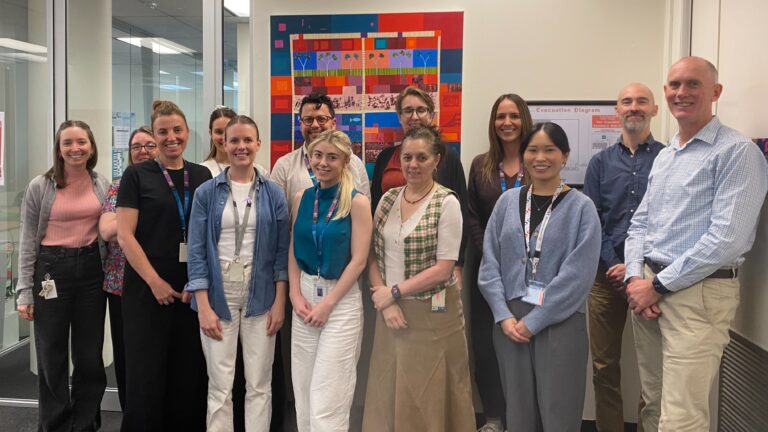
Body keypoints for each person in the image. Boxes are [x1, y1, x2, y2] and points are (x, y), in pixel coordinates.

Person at [624, 56, 768, 432]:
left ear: (715, 92)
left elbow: (726, 239)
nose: (680, 93)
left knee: (681, 416)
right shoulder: (668, 155)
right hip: (648, 290)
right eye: (674, 85)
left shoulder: (737, 153)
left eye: (693, 84)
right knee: (653, 403)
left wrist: (656, 286)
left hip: (697, 294)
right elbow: (639, 224)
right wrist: (635, 280)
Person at [478, 122, 601, 432]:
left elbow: (578, 274)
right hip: (509, 323)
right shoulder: (508, 203)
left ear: (565, 156)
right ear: (523, 156)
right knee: (518, 413)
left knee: (559, 409)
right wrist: (502, 315)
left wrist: (535, 320)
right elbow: (490, 263)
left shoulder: (582, 208)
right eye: (533, 150)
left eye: (550, 150)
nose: (540, 157)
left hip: (560, 320)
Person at [363, 126, 474, 432]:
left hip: (434, 317)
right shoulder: (387, 199)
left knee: (429, 396)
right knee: (388, 390)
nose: (413, 164)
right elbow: (371, 254)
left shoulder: (446, 203)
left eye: (422, 157)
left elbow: (444, 267)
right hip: (392, 315)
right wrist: (386, 302)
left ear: (436, 160)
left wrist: (394, 293)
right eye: (407, 157)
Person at [187, 115, 289, 431]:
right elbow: (196, 252)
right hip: (218, 296)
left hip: (262, 296)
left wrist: (279, 302)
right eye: (234, 140)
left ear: (258, 144)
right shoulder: (206, 192)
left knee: (259, 383)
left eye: (247, 140)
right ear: (224, 143)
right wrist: (202, 305)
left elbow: (281, 254)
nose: (241, 146)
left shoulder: (273, 193)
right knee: (220, 384)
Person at [117, 100, 212, 432]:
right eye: (163, 132)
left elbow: (207, 234)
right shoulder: (136, 175)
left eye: (177, 130)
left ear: (187, 132)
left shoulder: (201, 175)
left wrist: (198, 282)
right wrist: (155, 282)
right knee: (147, 373)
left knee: (188, 372)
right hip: (146, 288)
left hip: (190, 290)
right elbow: (125, 235)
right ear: (153, 136)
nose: (171, 138)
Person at [16, 120, 110, 431]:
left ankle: (83, 423)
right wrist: (24, 291)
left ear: (91, 146)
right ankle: (55, 425)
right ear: (58, 149)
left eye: (81, 142)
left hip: (90, 272)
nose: (75, 148)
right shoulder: (39, 187)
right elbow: (28, 241)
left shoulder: (101, 184)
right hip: (50, 272)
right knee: (51, 355)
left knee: (88, 357)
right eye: (67, 143)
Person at [582, 83, 664, 432]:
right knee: (604, 367)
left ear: (654, 110)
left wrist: (633, 267)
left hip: (649, 277)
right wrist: (615, 262)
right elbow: (593, 219)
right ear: (616, 110)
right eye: (627, 102)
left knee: (654, 368)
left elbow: (670, 218)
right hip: (605, 276)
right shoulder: (599, 163)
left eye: (641, 101)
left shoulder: (668, 158)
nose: (634, 107)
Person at [288, 130, 371, 431]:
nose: (323, 163)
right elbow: (293, 248)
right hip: (305, 298)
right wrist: (295, 296)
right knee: (304, 392)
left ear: (345, 161)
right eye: (317, 155)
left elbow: (359, 260)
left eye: (332, 157)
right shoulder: (302, 197)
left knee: (329, 397)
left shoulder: (356, 202)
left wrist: (328, 305)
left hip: (340, 301)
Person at [466, 93, 533, 432]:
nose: (507, 122)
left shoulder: (537, 161)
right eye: (500, 116)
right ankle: (494, 417)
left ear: (524, 119)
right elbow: (473, 216)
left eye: (513, 115)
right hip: (487, 272)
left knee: (524, 342)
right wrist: (490, 256)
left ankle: (524, 419)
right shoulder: (481, 165)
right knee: (485, 345)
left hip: (531, 272)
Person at [369, 86, 468, 283]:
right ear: (399, 116)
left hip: (431, 261)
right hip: (389, 257)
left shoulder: (449, 158)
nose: (414, 116)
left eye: (421, 110)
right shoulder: (385, 158)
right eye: (408, 110)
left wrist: (457, 265)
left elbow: (461, 212)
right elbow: (374, 209)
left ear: (431, 115)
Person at [98, 125, 159, 410]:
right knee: (125, 353)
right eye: (136, 146)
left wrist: (129, 219)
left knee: (155, 352)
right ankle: (129, 412)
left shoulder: (167, 182)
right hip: (120, 283)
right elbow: (108, 230)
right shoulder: (119, 185)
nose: (143, 151)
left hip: (159, 280)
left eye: (149, 145)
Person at [271, 93, 370, 213]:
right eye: (308, 120)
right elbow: (277, 216)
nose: (315, 125)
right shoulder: (284, 166)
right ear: (301, 124)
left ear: (333, 124)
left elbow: (365, 211)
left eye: (321, 119)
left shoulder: (354, 163)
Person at [201, 106, 269, 178]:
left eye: (229, 132)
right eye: (219, 132)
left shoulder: (260, 173)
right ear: (210, 133)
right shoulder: (202, 171)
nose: (224, 137)